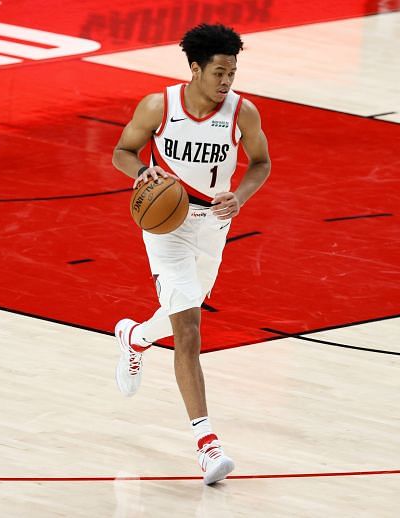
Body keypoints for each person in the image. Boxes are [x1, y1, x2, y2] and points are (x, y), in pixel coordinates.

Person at [111, 23, 271, 485]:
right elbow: (122, 150)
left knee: (185, 310)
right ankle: (207, 444)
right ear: (196, 68)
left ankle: (136, 338)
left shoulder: (243, 113)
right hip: (168, 227)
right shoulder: (159, 106)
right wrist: (141, 172)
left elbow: (261, 162)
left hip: (214, 226)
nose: (226, 81)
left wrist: (240, 195)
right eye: (219, 71)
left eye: (233, 72)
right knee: (190, 328)